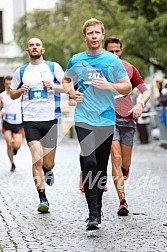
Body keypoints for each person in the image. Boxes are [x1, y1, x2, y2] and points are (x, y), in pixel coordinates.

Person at [62, 18, 132, 231]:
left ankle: (97, 209)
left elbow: (127, 87)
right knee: (90, 162)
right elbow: (66, 80)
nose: (93, 36)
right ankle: (92, 214)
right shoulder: (76, 60)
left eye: (97, 33)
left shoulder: (112, 61)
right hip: (83, 118)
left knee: (100, 167)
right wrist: (72, 92)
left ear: (102, 35)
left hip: (106, 119)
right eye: (89, 33)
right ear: (85, 36)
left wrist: (109, 85)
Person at [10, 38, 65, 213]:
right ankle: (43, 199)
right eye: (31, 45)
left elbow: (68, 87)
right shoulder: (22, 71)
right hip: (30, 120)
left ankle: (47, 170)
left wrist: (54, 86)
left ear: (43, 49)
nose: (34, 47)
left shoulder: (53, 67)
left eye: (37, 45)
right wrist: (19, 91)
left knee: (49, 163)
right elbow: (12, 94)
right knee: (37, 159)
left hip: (50, 119)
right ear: (27, 50)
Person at [104, 36, 150, 216]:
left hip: (128, 120)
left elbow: (145, 91)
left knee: (125, 162)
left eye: (117, 51)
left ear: (121, 51)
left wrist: (140, 104)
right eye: (110, 52)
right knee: (115, 157)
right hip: (108, 120)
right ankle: (122, 201)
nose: (114, 54)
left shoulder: (129, 68)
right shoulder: (99, 69)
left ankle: (125, 169)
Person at [0, 75, 23, 172]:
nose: (9, 86)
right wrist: (1, 111)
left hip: (18, 122)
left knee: (17, 145)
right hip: (6, 122)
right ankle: (12, 163)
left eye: (10, 84)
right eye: (7, 84)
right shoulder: (2, 95)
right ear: (4, 84)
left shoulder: (19, 94)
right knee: (9, 144)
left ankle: (15, 149)